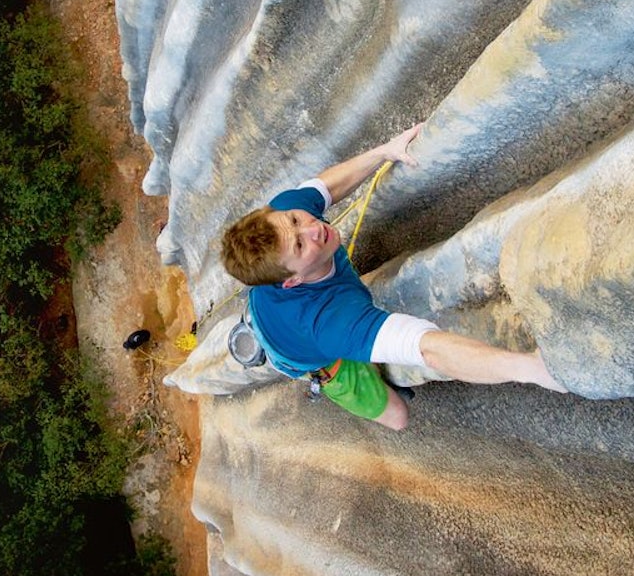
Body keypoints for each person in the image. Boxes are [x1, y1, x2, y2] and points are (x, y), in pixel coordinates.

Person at [220, 123, 566, 430]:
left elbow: (323, 187)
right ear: (291, 280)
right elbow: (429, 349)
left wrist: (385, 151)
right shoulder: (329, 324)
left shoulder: (282, 217)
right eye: (299, 244)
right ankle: (333, 373)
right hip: (308, 352)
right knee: (397, 417)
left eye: (297, 221)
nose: (313, 228)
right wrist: (529, 369)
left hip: (288, 309)